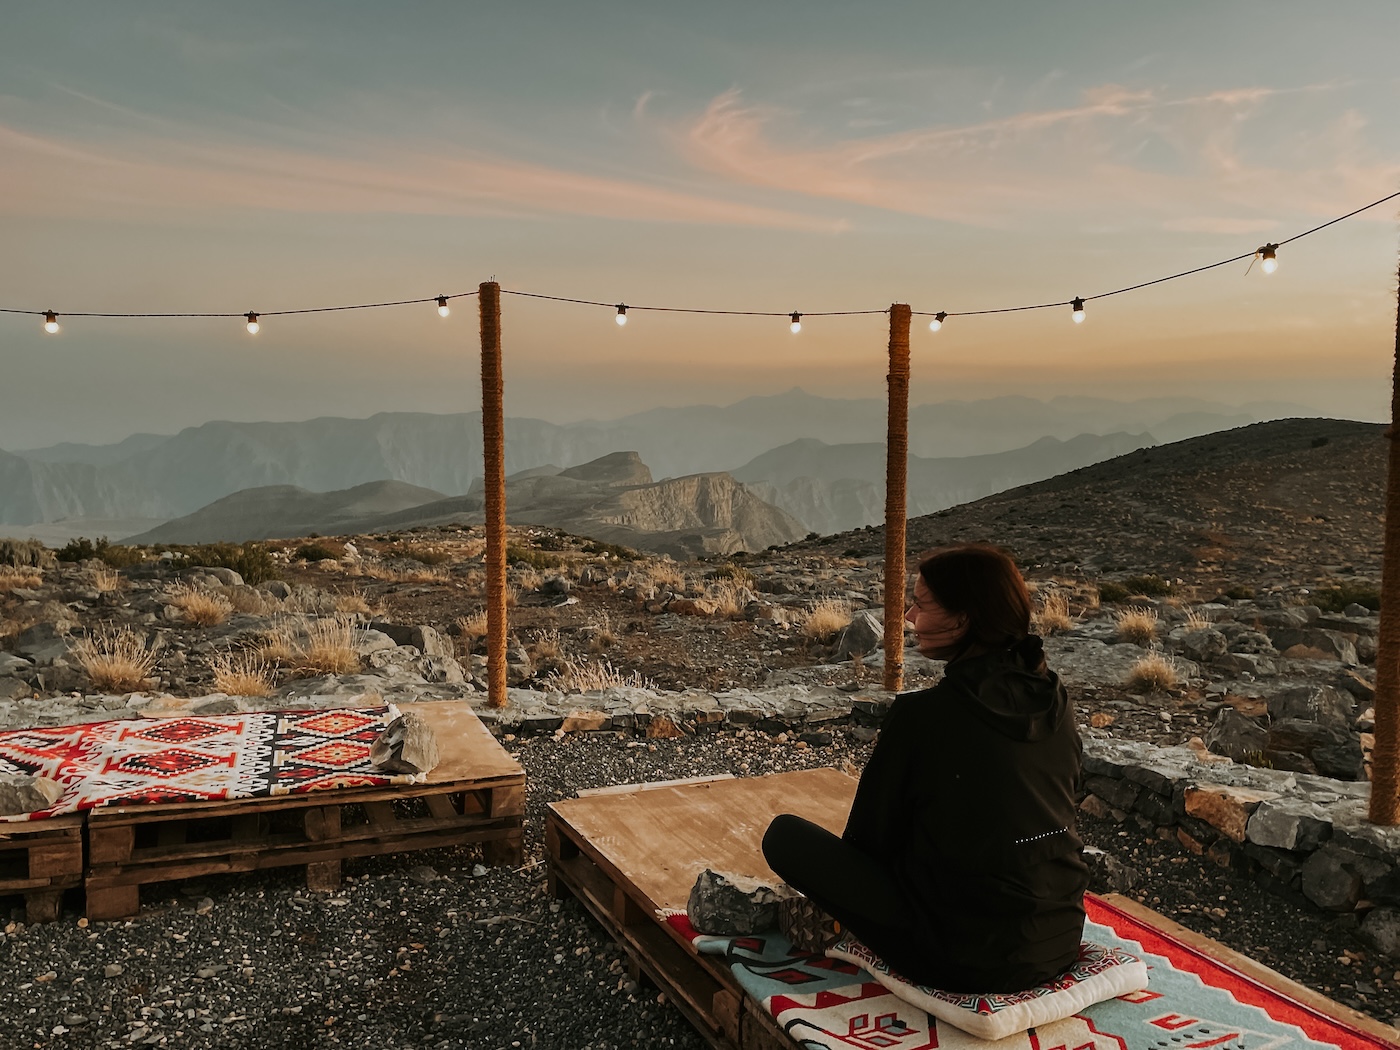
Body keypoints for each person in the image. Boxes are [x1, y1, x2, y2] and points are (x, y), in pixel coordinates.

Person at [762, 544, 1088, 992]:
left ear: (962, 618)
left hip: (963, 957)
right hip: (1059, 937)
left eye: (922, 603)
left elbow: (868, 845)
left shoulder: (924, 717)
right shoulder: (1055, 700)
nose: (910, 617)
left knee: (784, 836)